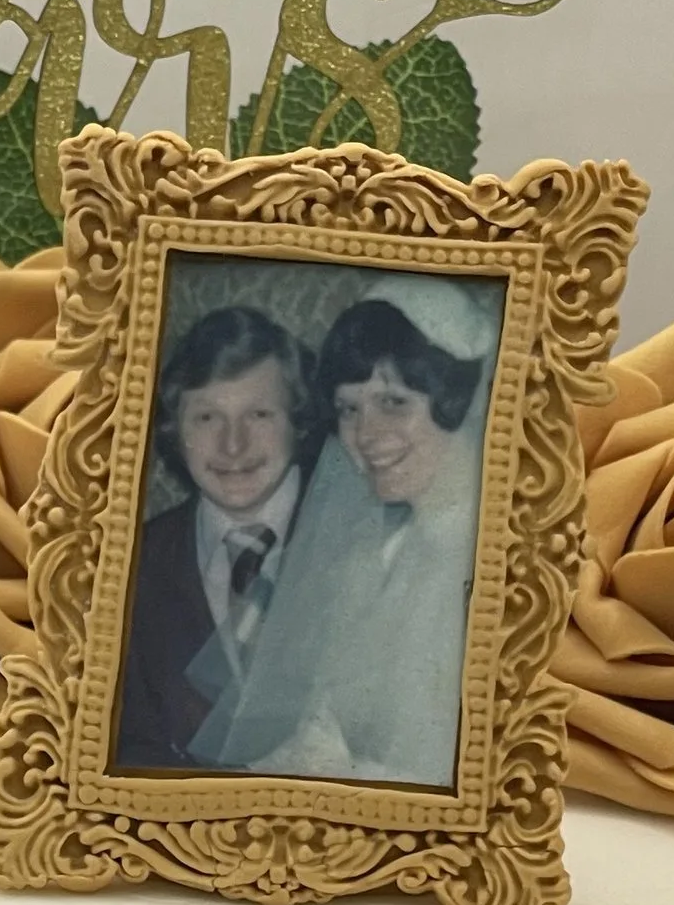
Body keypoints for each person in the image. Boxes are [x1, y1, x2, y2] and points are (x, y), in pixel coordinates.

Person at [191, 283, 492, 789]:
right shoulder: (372, 557)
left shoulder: (491, 562)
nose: (365, 434)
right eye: (349, 409)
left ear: (457, 398)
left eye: (393, 402)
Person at [113, 302, 339, 773]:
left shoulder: (358, 539)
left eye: (259, 414)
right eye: (207, 418)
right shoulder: (131, 561)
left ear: (298, 420)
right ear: (175, 429)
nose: (233, 445)